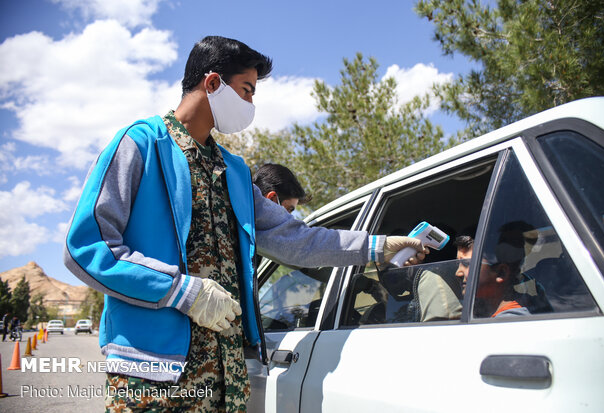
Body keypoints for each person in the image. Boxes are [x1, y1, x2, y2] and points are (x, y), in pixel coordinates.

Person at [63, 35, 428, 412]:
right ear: (213, 83)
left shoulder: (234, 172)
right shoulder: (140, 144)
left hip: (226, 374)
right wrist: (181, 291)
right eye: (247, 90)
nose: (251, 104)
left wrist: (377, 246)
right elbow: (87, 248)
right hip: (153, 373)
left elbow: (296, 239)